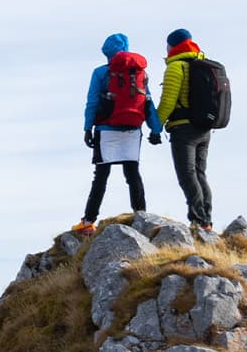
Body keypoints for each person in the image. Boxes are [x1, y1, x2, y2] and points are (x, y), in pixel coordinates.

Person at [74, 33, 163, 235]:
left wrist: (87, 128)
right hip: (132, 130)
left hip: (106, 130)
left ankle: (88, 222)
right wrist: (155, 129)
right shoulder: (140, 73)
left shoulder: (100, 73)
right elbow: (147, 102)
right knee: (132, 174)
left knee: (101, 177)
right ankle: (142, 215)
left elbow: (92, 103)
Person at [158, 27, 214, 231]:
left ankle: (198, 220)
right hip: (205, 129)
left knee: (187, 174)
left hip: (184, 130)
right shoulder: (203, 64)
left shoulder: (176, 67)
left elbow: (168, 102)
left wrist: (156, 127)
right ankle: (206, 220)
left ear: (172, 45)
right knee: (200, 174)